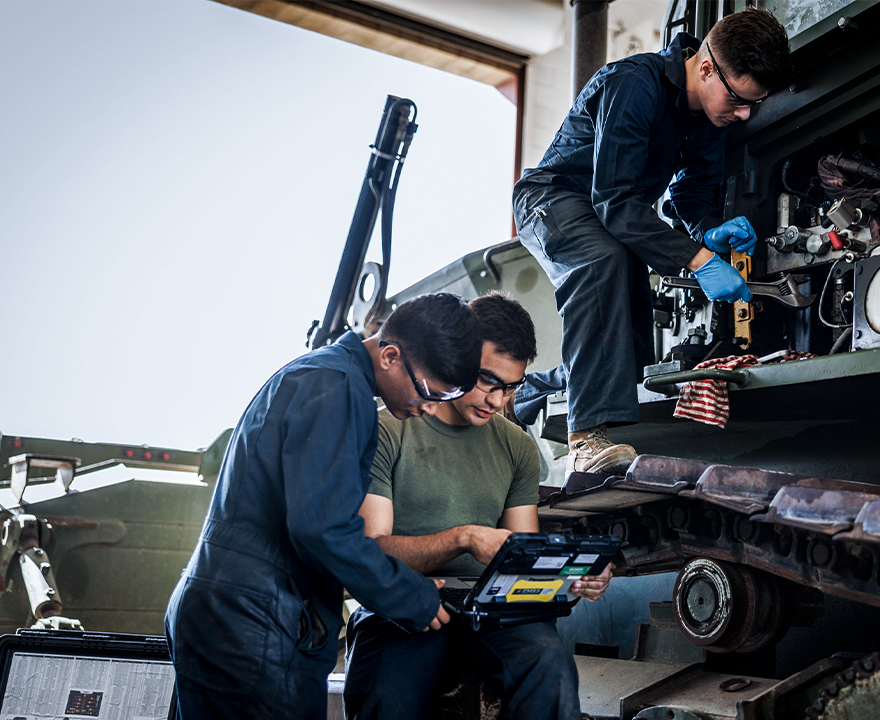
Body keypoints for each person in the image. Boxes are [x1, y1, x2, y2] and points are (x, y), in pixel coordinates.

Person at [165, 293, 483, 720]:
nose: (429, 409)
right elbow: (323, 528)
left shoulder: (329, 377)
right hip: (249, 621)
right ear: (390, 355)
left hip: (242, 613)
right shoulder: (335, 388)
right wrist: (410, 597)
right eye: (428, 392)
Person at [511, 8, 791, 477]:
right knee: (601, 262)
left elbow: (689, 192)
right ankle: (586, 441)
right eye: (739, 99)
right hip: (553, 199)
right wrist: (699, 259)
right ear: (706, 68)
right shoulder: (633, 83)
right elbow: (616, 200)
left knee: (632, 356)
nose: (743, 114)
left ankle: (525, 394)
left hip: (606, 213)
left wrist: (707, 231)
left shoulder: (708, 117)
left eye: (752, 105)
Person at [342, 292, 612, 720]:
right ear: (460, 356)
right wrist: (463, 539)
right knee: (388, 695)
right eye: (488, 380)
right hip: (402, 604)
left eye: (511, 387)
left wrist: (572, 576)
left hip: (491, 612)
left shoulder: (518, 449)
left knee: (550, 663)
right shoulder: (389, 427)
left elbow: (523, 554)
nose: (497, 401)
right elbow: (371, 550)